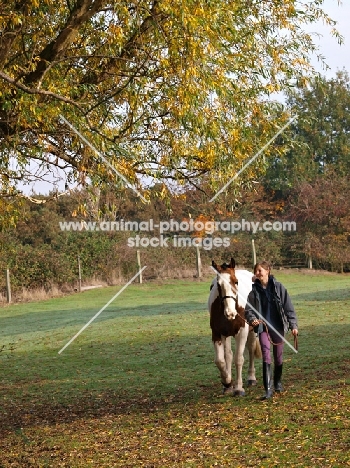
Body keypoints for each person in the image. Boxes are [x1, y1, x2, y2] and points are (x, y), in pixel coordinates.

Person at [245, 261, 298, 400]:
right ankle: (268, 390)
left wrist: (293, 325)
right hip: (263, 328)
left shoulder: (279, 287)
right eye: (256, 271)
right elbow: (248, 310)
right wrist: (252, 319)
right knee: (266, 354)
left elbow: (288, 308)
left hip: (278, 326)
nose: (257, 273)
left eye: (260, 270)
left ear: (268, 270)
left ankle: (278, 383)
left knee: (278, 357)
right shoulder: (253, 291)